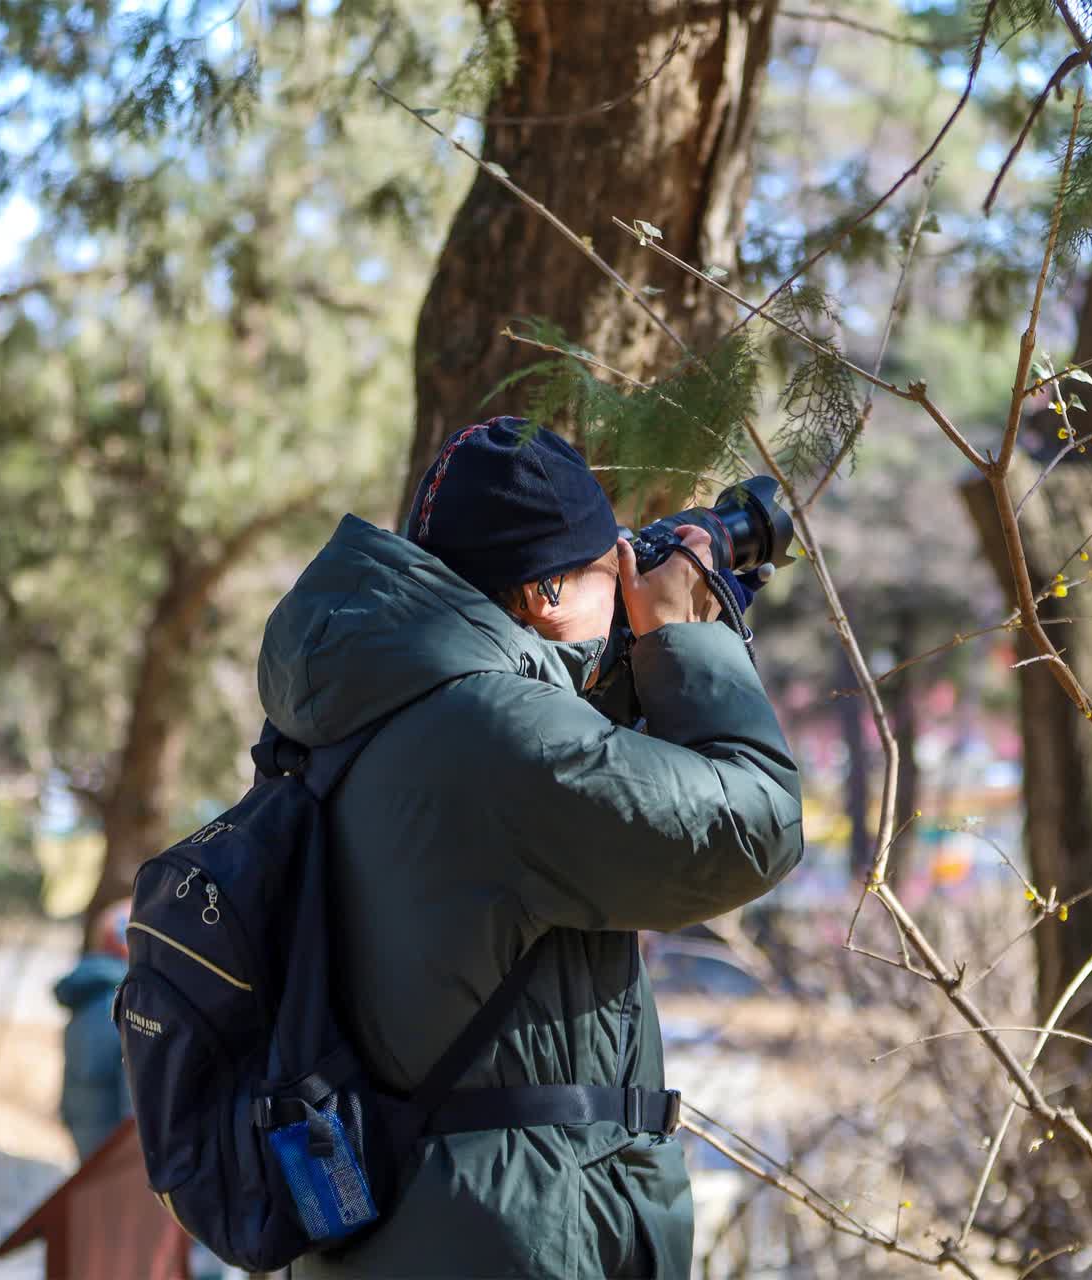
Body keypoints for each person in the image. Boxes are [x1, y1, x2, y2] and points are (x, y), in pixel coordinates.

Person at [257, 417, 803, 1278]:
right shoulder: (498, 735)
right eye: (607, 569)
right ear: (545, 595)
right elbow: (752, 829)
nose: (625, 586)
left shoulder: (368, 696)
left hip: (405, 1219)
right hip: (511, 1232)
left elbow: (567, 785)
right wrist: (684, 637)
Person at [56, 900, 134, 1163]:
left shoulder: (86, 997)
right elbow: (134, 1103)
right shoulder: (127, 1004)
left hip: (85, 1138)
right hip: (118, 1150)